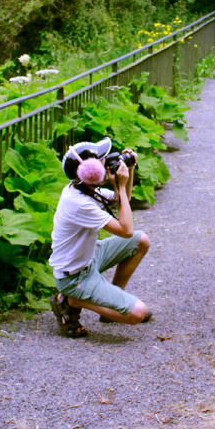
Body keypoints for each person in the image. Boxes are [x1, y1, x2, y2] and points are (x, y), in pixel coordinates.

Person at [48, 138, 152, 338]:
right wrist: (121, 184)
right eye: (104, 161)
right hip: (74, 277)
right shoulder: (79, 203)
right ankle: (71, 300)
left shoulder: (83, 188)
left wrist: (128, 171)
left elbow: (122, 201)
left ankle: (113, 300)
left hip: (88, 258)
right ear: (91, 172)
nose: (109, 163)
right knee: (138, 314)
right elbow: (126, 230)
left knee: (141, 241)